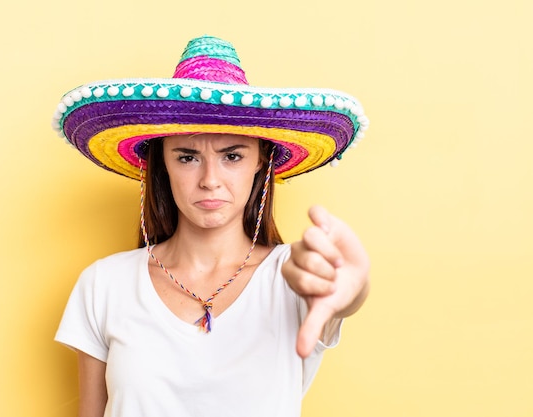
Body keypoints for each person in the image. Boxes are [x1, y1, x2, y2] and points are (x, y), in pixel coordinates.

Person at [52, 35, 370, 417]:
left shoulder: (292, 277)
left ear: (260, 161)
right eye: (187, 157)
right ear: (160, 163)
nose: (210, 180)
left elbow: (340, 293)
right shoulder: (103, 284)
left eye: (232, 155)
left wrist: (350, 287)